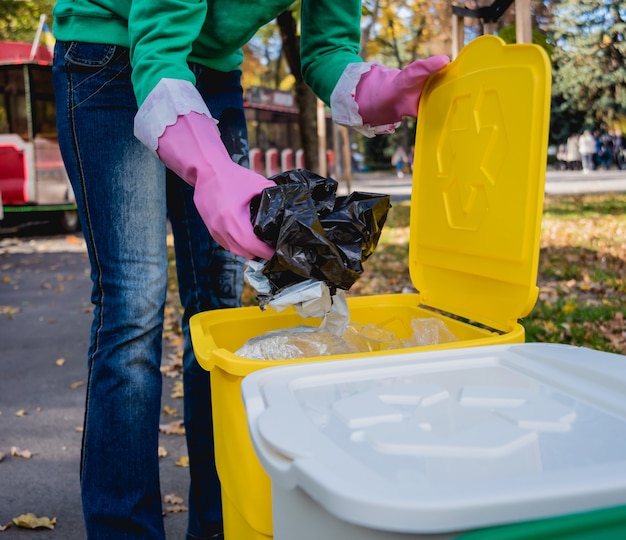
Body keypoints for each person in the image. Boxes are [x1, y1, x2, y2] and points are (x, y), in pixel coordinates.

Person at [50, 2, 450, 539]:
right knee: (133, 303)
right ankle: (124, 530)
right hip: (112, 53)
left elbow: (329, 46)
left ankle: (221, 525)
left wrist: (370, 88)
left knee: (216, 308)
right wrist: (209, 167)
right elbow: (158, 44)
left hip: (212, 70)